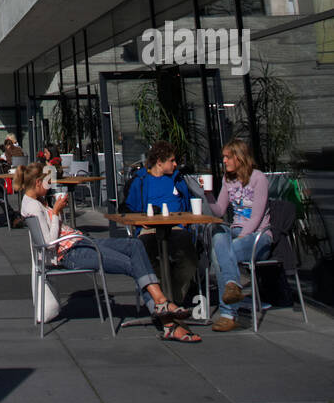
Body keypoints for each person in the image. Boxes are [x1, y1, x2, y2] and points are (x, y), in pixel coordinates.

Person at [14, 162, 200, 340]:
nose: (50, 186)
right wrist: (55, 213)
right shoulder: (32, 207)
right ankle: (167, 320)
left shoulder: (36, 201)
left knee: (135, 245)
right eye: (47, 183)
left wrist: (56, 213)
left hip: (80, 243)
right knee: (132, 264)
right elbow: (48, 243)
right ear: (38, 182)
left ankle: (160, 303)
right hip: (72, 253)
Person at [205, 139, 272, 332]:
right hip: (236, 231)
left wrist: (241, 237)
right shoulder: (228, 180)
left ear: (239, 157)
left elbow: (257, 216)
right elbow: (218, 211)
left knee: (221, 254)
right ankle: (233, 287)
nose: (224, 161)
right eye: (223, 157)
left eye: (227, 157)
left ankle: (228, 314)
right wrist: (208, 193)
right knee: (218, 235)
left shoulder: (259, 178)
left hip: (258, 236)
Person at [124, 141, 198, 307]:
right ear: (159, 162)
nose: (175, 164)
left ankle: (174, 299)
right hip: (148, 230)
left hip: (176, 228)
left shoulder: (177, 180)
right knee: (146, 257)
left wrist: (186, 220)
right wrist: (139, 221)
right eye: (171, 160)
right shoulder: (141, 181)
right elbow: (129, 208)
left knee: (189, 259)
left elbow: (188, 203)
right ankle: (166, 300)